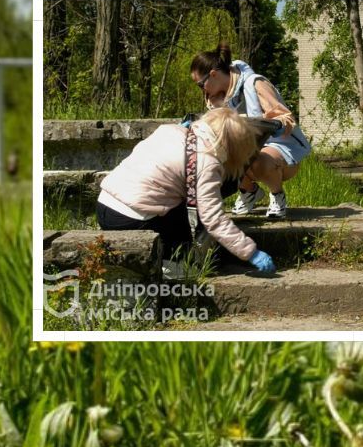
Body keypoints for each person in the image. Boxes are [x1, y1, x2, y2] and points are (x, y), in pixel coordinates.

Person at [95, 108, 277, 274]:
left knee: (187, 206)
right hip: (131, 220)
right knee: (197, 229)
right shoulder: (206, 162)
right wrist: (250, 252)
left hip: (105, 205)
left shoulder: (168, 130)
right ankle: (175, 266)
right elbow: (213, 219)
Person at [190, 43, 310, 219]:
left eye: (201, 85)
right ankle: (250, 192)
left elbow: (286, 118)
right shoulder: (218, 97)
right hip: (249, 149)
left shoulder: (256, 83)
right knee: (216, 158)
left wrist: (269, 125)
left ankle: (277, 195)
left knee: (258, 160)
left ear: (213, 74)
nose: (202, 90)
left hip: (279, 151)